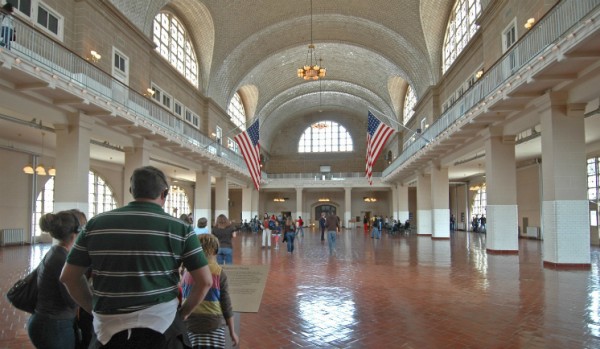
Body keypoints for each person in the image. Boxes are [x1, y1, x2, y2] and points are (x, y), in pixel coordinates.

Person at [60, 166, 213, 349]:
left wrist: (92, 308)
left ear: (132, 191)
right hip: (162, 328)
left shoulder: (96, 224)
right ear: (164, 193)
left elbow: (68, 277)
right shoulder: (180, 229)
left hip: (107, 331)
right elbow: (205, 281)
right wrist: (183, 314)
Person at [28, 209, 86, 349]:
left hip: (49, 324)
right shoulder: (62, 259)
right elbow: (72, 300)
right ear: (75, 233)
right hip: (53, 326)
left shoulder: (56, 251)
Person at [181, 234, 239, 349]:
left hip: (189, 324)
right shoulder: (218, 273)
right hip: (213, 325)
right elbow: (226, 305)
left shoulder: (187, 271)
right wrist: (232, 331)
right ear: (214, 251)